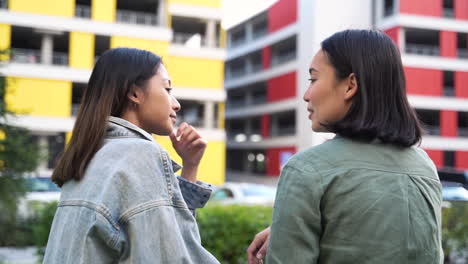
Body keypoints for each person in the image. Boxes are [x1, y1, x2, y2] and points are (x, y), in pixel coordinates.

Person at [247, 29, 443, 264]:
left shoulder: (306, 170)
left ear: (350, 85)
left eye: (313, 79)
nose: (306, 95)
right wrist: (287, 230)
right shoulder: (424, 167)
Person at [43, 48, 220, 264]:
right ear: (135, 93)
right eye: (167, 88)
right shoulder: (139, 155)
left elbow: (171, 239)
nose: (176, 104)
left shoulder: (90, 155)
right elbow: (173, 258)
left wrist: (190, 166)